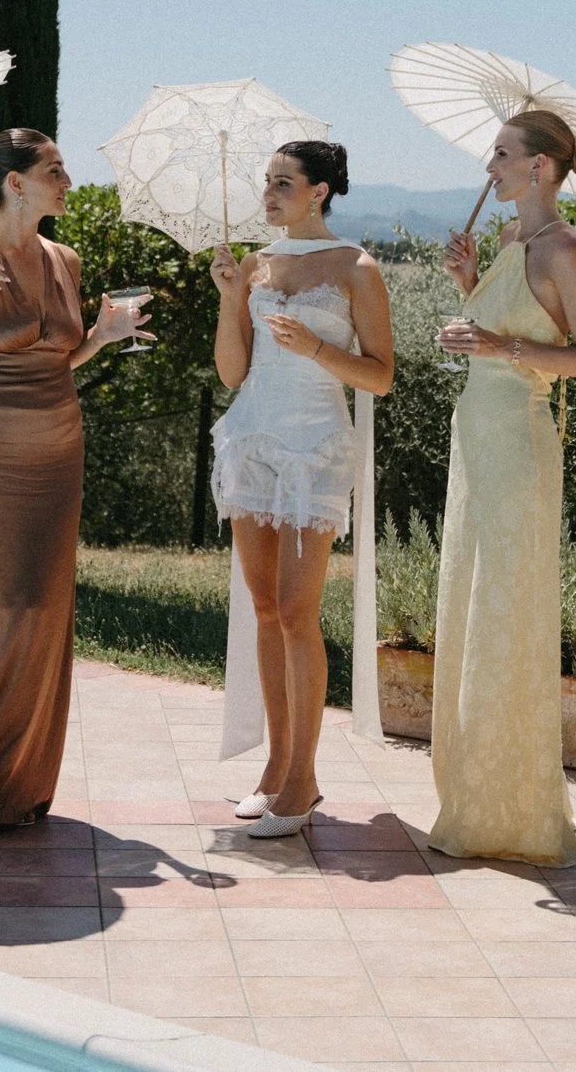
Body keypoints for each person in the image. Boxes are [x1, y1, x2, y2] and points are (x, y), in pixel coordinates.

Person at [0, 128, 147, 845]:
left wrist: (102, 336)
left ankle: (25, 781)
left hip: (57, 446)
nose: (67, 180)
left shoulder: (64, 259)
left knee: (43, 605)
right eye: (54, 170)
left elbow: (58, 356)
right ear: (16, 183)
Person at [427, 109, 576, 867]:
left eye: (501, 154)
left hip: (521, 448)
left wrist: (500, 342)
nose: (489, 166)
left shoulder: (565, 247)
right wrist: (471, 285)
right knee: (473, 610)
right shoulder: (511, 242)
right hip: (477, 439)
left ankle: (514, 811)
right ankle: (473, 799)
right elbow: (500, 329)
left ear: (541, 167)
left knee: (508, 616)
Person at [206, 141, 394, 838]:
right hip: (252, 441)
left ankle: (305, 779)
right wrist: (233, 301)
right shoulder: (256, 264)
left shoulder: (356, 267)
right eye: (266, 181)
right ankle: (275, 769)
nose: (269, 192)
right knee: (263, 606)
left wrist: (317, 348)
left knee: (296, 607)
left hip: (314, 448)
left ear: (320, 191)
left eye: (282, 182)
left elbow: (380, 376)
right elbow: (231, 372)